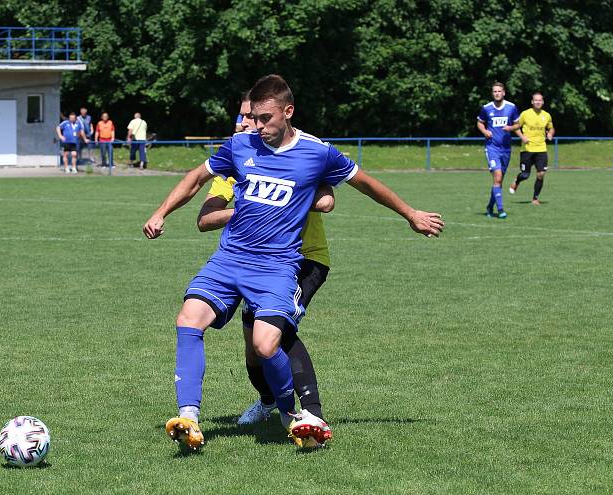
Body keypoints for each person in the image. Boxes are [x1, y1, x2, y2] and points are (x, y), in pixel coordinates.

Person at [143, 74, 444, 451]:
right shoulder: (240, 145)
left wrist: (410, 214)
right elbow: (196, 178)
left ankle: (290, 413)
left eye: (265, 118)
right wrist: (161, 213)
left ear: (288, 112)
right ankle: (189, 417)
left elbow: (364, 183)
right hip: (230, 259)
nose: (257, 125)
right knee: (188, 319)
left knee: (266, 344)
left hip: (277, 266)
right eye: (252, 117)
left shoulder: (318, 153)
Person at [198, 93, 334, 435]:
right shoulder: (236, 161)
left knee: (279, 331)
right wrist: (245, 204)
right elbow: (205, 219)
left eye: (253, 117)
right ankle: (269, 401)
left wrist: (279, 195)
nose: (246, 124)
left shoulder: (303, 153)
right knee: (252, 344)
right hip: (252, 261)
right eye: (244, 117)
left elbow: (327, 200)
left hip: (303, 258)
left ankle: (312, 412)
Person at [477, 81, 520, 219]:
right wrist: (484, 131)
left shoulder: (511, 107)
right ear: (492, 93)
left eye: (499, 91)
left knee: (498, 182)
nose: (497, 93)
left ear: (504, 92)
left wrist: (511, 128)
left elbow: (518, 124)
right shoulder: (486, 108)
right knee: (498, 177)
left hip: (506, 149)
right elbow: (480, 122)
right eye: (494, 91)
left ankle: (490, 207)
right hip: (492, 148)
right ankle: (500, 210)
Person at [508, 92, 555, 205]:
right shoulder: (525, 114)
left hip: (541, 149)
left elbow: (551, 128)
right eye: (536, 100)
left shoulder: (546, 115)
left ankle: (535, 198)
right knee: (525, 175)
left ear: (543, 102)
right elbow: (516, 127)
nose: (538, 102)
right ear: (532, 102)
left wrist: (550, 134)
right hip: (527, 149)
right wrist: (522, 137)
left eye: (540, 100)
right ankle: (517, 181)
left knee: (541, 174)